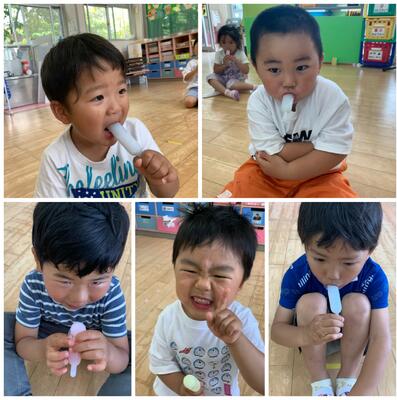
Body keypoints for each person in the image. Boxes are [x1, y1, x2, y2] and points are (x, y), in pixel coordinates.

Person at [220, 5, 357, 198]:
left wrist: (288, 171)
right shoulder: (259, 101)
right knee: (241, 189)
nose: (289, 82)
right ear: (256, 67)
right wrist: (317, 146)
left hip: (320, 171)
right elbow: (268, 154)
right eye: (274, 70)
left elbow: (336, 152)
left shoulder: (332, 97)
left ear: (319, 62)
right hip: (268, 168)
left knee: (339, 200)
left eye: (301, 67)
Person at [4, 203, 131, 396]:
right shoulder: (34, 285)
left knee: (136, 350)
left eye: (97, 281)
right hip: (46, 331)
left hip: (96, 335)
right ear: (38, 260)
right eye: (65, 281)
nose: (80, 299)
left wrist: (108, 352)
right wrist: (42, 349)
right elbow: (23, 343)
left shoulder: (111, 294)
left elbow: (121, 359)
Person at [35, 33, 179, 198]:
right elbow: (52, 210)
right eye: (98, 97)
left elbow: (168, 193)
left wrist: (160, 177)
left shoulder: (136, 131)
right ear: (62, 112)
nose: (115, 108)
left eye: (121, 91)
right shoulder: (55, 159)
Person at [271, 203, 390, 396]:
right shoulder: (297, 273)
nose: (333, 275)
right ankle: (319, 381)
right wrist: (307, 334)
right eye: (319, 259)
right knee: (311, 303)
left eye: (348, 263)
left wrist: (361, 392)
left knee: (359, 303)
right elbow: (277, 331)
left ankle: (347, 377)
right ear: (305, 246)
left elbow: (381, 337)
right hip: (312, 337)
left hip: (355, 337)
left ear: (370, 251)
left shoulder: (374, 277)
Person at [149, 204, 264, 396]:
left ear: (241, 283)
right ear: (174, 268)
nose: (203, 284)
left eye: (220, 275)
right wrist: (180, 388)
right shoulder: (168, 318)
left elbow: (262, 383)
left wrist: (236, 340)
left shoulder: (243, 320)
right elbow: (161, 365)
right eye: (190, 270)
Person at [207, 25, 257, 101]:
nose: (227, 46)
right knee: (210, 78)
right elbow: (216, 70)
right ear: (220, 43)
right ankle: (228, 93)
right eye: (223, 42)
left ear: (237, 43)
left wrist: (236, 61)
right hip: (223, 78)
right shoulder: (219, 54)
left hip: (236, 79)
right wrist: (224, 65)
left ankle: (254, 87)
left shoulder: (240, 53)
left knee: (231, 84)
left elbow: (246, 70)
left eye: (231, 42)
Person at [182, 39, 198, 108]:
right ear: (194, 49)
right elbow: (186, 79)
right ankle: (194, 97)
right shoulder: (191, 63)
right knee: (189, 102)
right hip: (195, 88)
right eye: (197, 47)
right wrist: (195, 70)